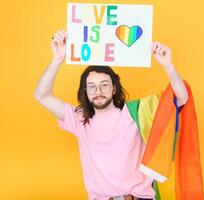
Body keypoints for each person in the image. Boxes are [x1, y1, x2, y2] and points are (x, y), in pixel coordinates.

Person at [34, 30, 188, 200]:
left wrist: (168, 65)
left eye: (104, 85)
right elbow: (42, 95)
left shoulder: (137, 111)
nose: (98, 91)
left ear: (114, 88)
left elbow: (181, 97)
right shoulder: (79, 118)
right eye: (91, 86)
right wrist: (57, 59)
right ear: (86, 91)